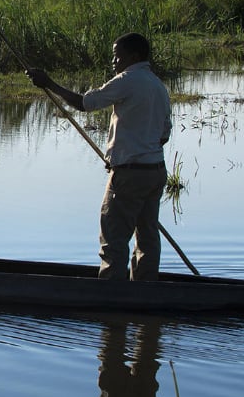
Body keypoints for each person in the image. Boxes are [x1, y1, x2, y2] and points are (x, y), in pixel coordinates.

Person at [26, 32, 172, 281]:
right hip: (155, 172)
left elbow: (85, 103)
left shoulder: (127, 80)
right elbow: (163, 136)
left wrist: (48, 83)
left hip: (130, 175)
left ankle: (110, 298)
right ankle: (145, 293)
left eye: (118, 57)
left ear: (134, 56)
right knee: (147, 238)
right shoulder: (158, 86)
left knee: (113, 238)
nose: (114, 62)